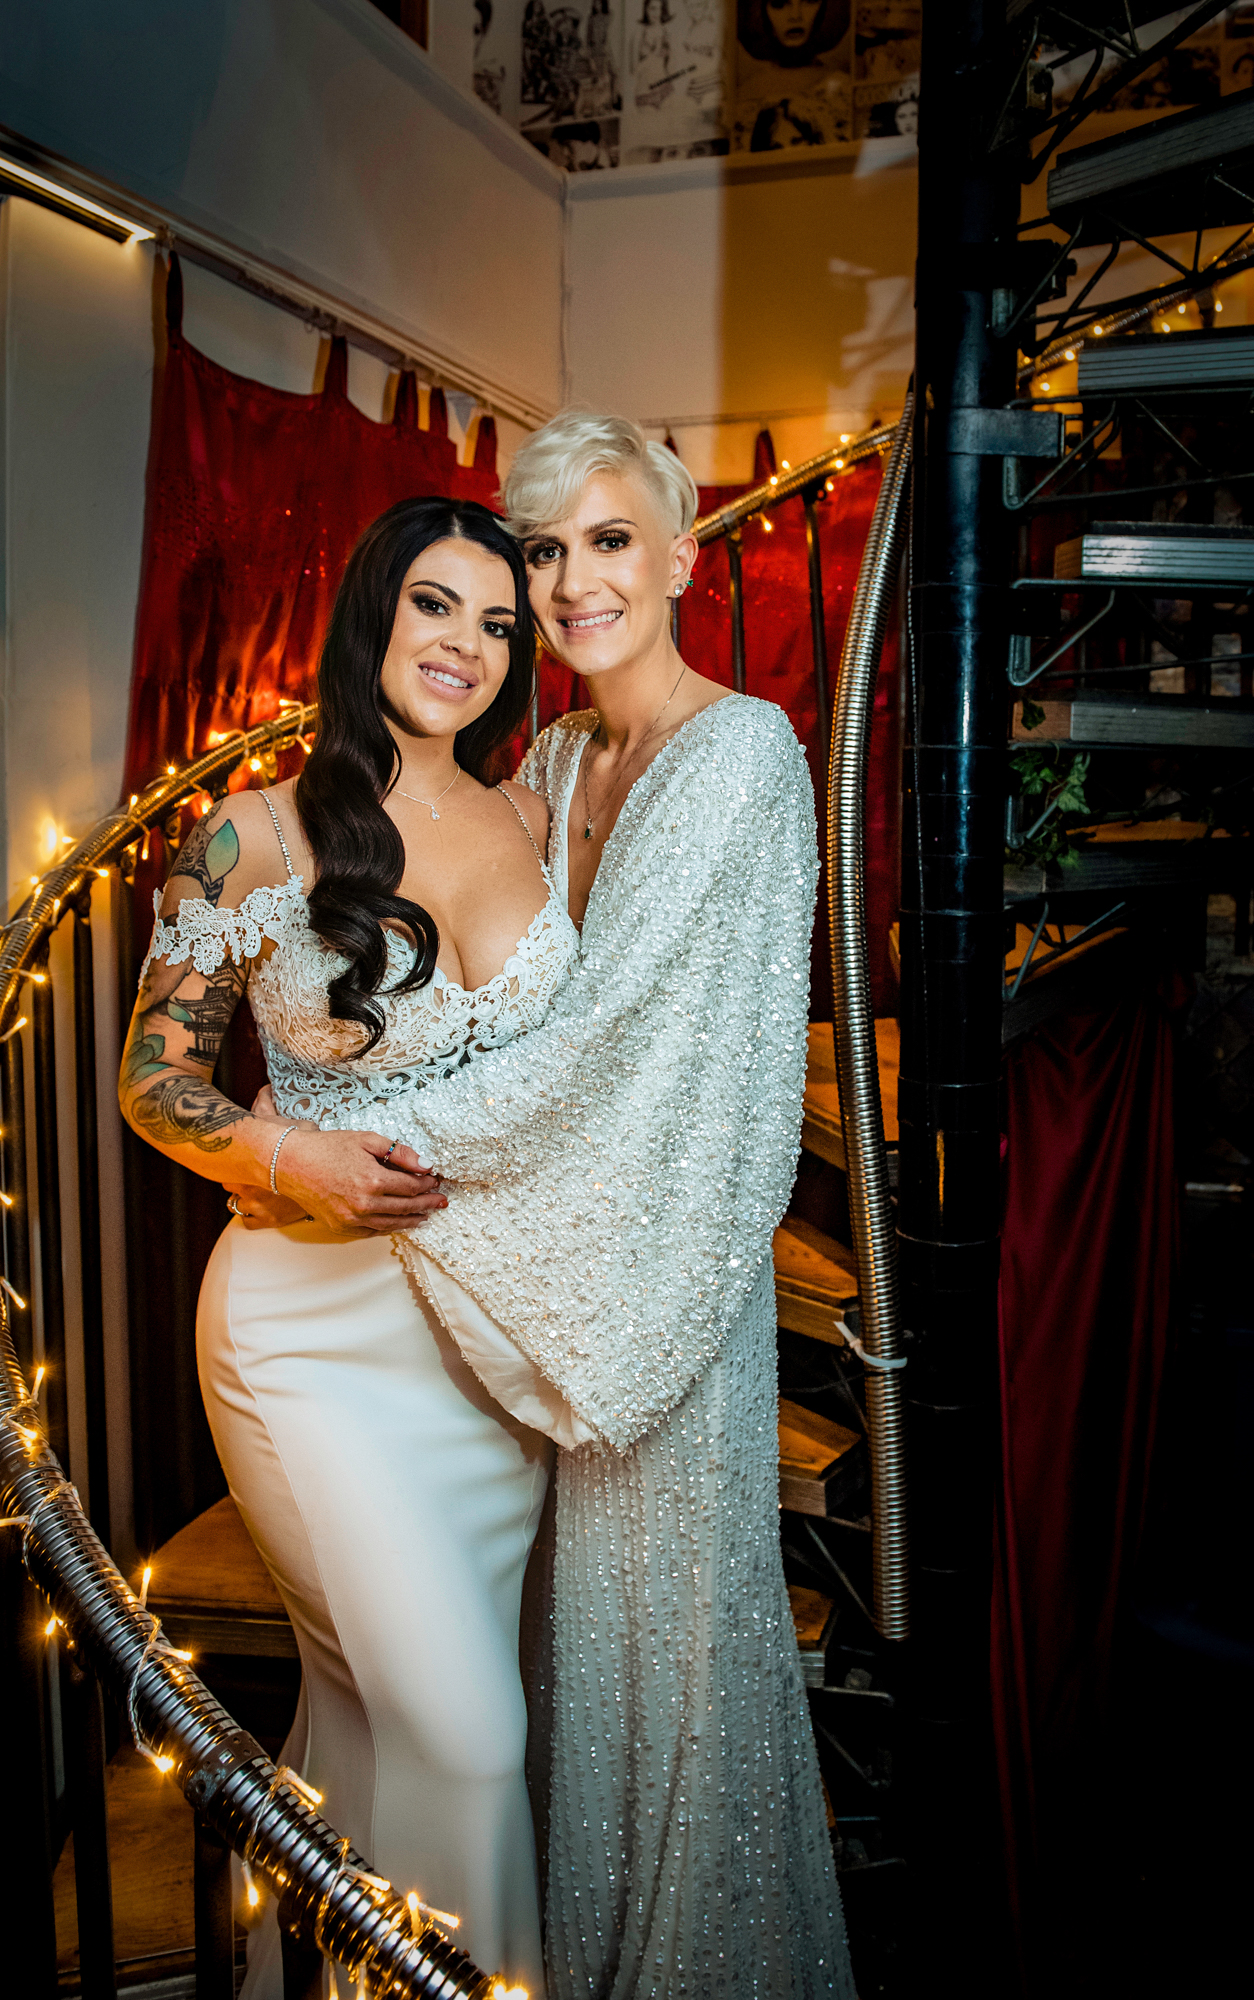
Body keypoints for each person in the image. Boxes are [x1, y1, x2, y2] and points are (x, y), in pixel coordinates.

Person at [244, 413, 854, 1997]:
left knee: (655, 1691)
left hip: (644, 1289)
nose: (572, 580)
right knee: (519, 1698)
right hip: (514, 1298)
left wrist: (343, 1137)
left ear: (676, 558)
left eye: (606, 541)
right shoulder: (561, 765)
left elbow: (632, 1049)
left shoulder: (742, 754)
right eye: (544, 550)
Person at [119, 497, 578, 1998]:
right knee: (466, 1727)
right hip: (309, 1337)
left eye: (498, 624)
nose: (465, 645)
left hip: (486, 1341)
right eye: (436, 605)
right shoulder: (252, 830)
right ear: (372, 612)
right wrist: (282, 1148)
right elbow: (151, 1079)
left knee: (382, 1718)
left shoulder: (534, 816)